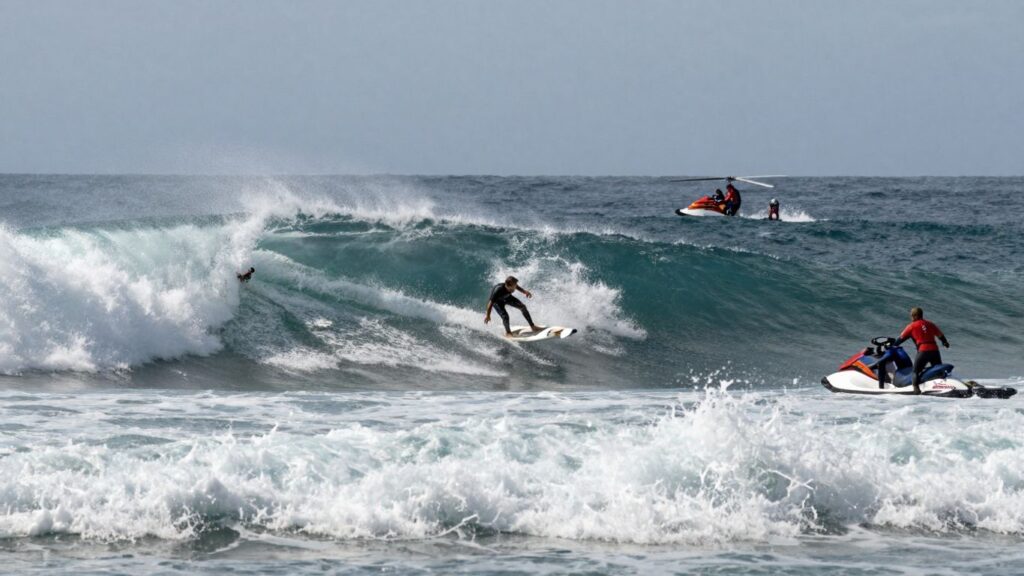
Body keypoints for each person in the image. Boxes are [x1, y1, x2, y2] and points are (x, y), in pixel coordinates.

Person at [893, 307, 949, 394]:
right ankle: (942, 387)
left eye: (911, 315)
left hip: (923, 350)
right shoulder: (930, 324)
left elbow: (901, 339)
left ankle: (916, 389)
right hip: (934, 350)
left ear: (915, 316)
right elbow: (941, 335)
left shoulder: (911, 326)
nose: (911, 317)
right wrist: (945, 343)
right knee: (938, 370)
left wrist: (893, 345)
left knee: (915, 371)